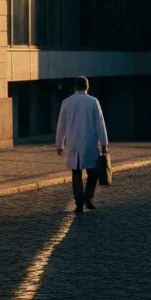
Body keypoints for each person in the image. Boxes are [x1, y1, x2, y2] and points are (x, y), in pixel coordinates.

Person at [55, 76, 109, 213]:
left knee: (76, 173)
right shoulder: (93, 102)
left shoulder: (66, 102)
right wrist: (104, 143)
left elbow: (61, 124)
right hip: (89, 142)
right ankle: (88, 198)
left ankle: (79, 203)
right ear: (87, 86)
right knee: (93, 172)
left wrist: (60, 144)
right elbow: (100, 124)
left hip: (73, 143)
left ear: (75, 87)